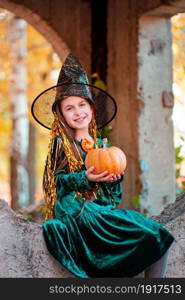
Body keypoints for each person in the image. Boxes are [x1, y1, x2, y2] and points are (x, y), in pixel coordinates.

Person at [31, 53, 174, 278]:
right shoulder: (62, 144)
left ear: (92, 109)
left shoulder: (101, 146)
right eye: (70, 108)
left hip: (100, 210)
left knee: (156, 234)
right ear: (61, 115)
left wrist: (113, 180)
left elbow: (112, 199)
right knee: (122, 225)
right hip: (76, 211)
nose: (78, 112)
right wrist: (85, 178)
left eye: (82, 105)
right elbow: (56, 184)